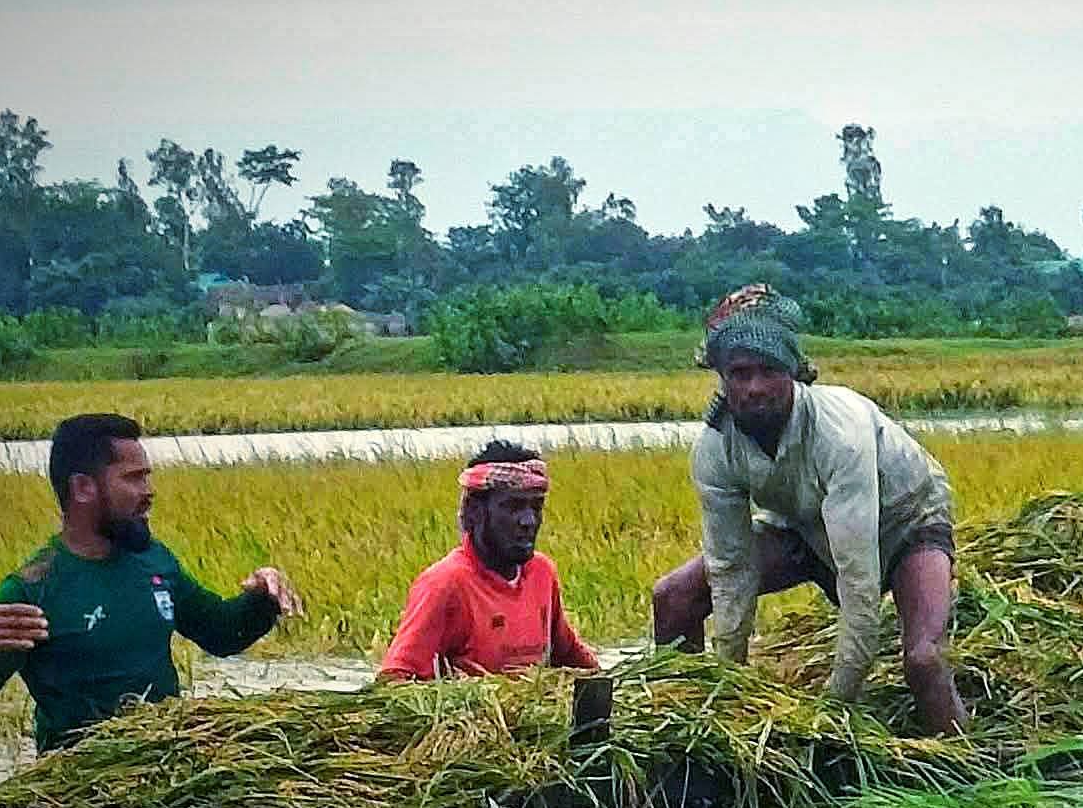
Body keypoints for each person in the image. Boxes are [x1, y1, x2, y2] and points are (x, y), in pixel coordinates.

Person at [652, 285, 967, 734]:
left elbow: (858, 581)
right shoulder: (715, 449)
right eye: (740, 374)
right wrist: (729, 695)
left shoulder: (839, 432)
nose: (755, 388)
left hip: (904, 524)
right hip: (803, 527)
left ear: (793, 373)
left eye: (769, 371)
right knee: (674, 597)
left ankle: (961, 759)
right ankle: (685, 726)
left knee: (923, 660)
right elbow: (730, 570)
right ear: (722, 377)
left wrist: (834, 709)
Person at [0, 413, 303, 751]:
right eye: (133, 478)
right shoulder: (33, 590)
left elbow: (221, 633)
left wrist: (262, 598)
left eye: (147, 476)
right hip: (81, 779)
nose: (149, 491)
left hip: (164, 761)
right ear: (83, 487)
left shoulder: (154, 561)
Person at [379, 441, 599, 680]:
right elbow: (394, 678)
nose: (528, 521)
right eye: (513, 507)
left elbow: (569, 654)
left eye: (536, 507)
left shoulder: (541, 573)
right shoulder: (446, 584)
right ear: (475, 511)